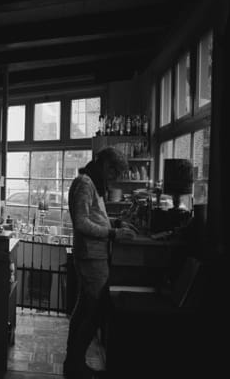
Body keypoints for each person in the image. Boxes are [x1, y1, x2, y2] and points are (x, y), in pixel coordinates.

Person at [63, 146, 137, 379]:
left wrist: (116, 223)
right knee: (93, 313)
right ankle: (75, 365)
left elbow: (96, 217)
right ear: (105, 165)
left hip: (92, 255)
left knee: (84, 310)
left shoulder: (91, 182)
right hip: (91, 257)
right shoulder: (85, 183)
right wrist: (113, 233)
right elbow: (81, 223)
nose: (113, 179)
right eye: (113, 172)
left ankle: (73, 363)